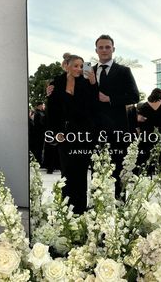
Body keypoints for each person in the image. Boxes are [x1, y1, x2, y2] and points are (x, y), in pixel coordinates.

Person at [46, 54, 98, 214]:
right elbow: (52, 111)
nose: (79, 69)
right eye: (76, 65)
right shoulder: (56, 83)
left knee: (81, 172)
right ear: (66, 66)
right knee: (66, 173)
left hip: (83, 135)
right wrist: (55, 132)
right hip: (64, 134)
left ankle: (81, 210)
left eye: (81, 66)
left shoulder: (86, 83)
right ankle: (67, 211)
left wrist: (93, 83)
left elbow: (93, 106)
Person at [93, 34, 140, 197]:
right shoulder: (87, 70)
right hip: (94, 128)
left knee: (119, 166)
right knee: (95, 168)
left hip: (118, 127)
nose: (104, 50)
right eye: (101, 47)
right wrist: (53, 88)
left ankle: (120, 204)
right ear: (96, 50)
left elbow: (135, 96)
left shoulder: (124, 70)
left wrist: (110, 99)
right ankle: (96, 206)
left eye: (107, 47)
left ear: (113, 49)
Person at [136, 88, 161, 174]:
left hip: (147, 131)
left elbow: (139, 119)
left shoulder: (145, 105)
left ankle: (146, 171)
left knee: (147, 151)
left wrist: (147, 119)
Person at [32, 101, 46, 166]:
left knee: (39, 148)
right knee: (39, 149)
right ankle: (38, 162)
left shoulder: (39, 113)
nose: (43, 106)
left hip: (39, 133)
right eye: (43, 105)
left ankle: (39, 162)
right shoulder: (38, 113)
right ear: (39, 106)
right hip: (39, 134)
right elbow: (40, 124)